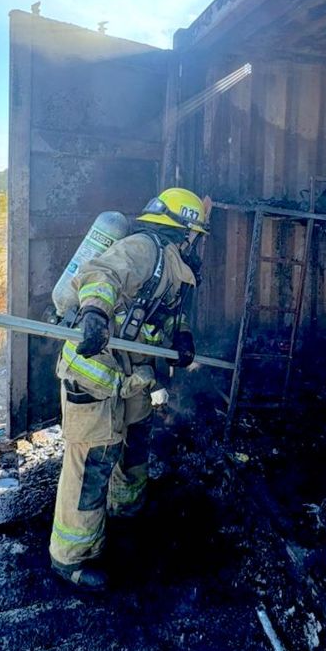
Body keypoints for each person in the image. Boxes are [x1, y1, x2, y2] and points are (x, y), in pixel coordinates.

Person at [50, 187, 207, 590]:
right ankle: (72, 557)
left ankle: (127, 508)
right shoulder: (144, 249)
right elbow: (101, 274)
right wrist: (96, 314)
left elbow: (166, 316)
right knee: (93, 461)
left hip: (133, 376)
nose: (197, 242)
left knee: (136, 441)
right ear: (183, 229)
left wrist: (182, 338)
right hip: (95, 371)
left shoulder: (172, 267)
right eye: (196, 233)